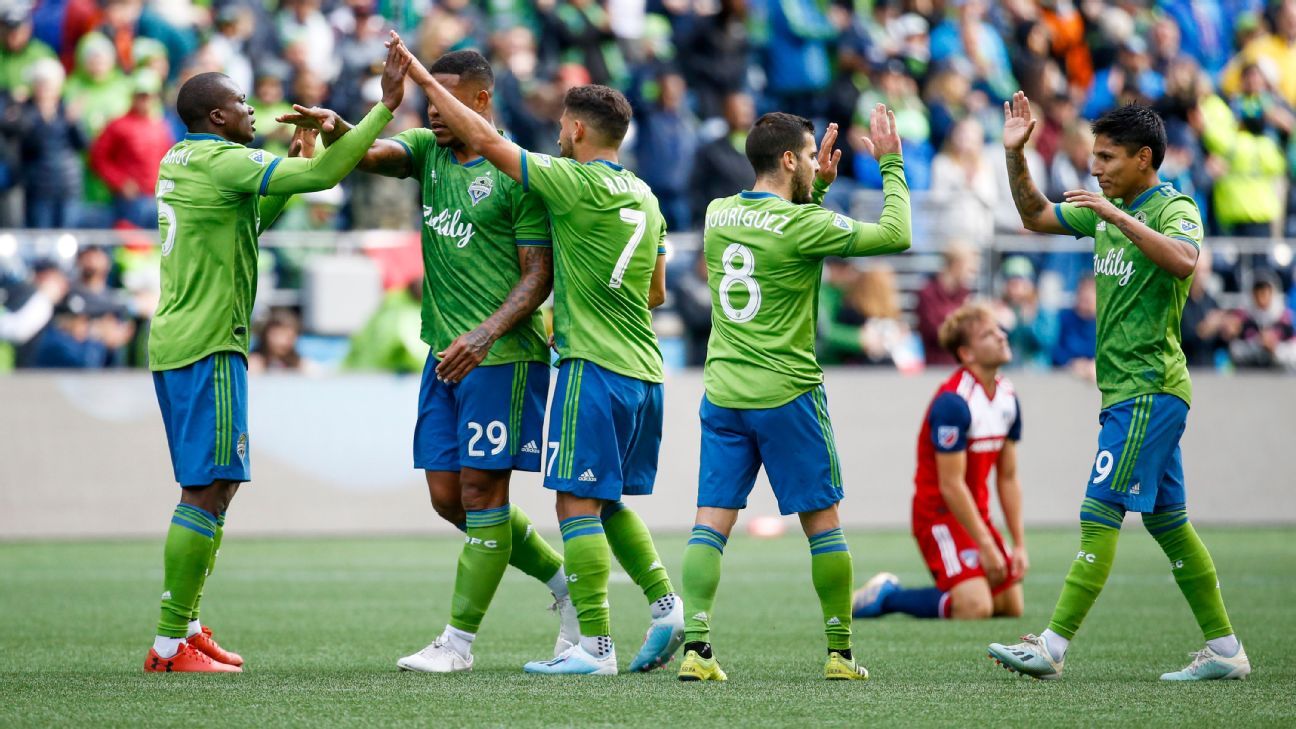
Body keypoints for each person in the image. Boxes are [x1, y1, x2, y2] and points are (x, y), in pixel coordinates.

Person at [280, 48, 578, 673]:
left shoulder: (518, 172)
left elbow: (538, 276)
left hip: (500, 357)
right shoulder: (429, 151)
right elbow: (369, 156)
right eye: (428, 100)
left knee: (481, 488)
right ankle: (563, 583)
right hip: (443, 353)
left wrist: (486, 334)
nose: (434, 115)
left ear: (482, 100)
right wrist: (338, 126)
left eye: (445, 101)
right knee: (448, 498)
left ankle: (459, 644)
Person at [396, 35, 683, 676]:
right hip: (642, 363)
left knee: (574, 505)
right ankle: (664, 606)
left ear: (576, 129)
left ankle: (591, 648)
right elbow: (657, 289)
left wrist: (416, 70)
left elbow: (498, 148)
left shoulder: (567, 182)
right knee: (599, 500)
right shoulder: (646, 196)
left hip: (589, 364)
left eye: (559, 124)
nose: (554, 132)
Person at [142, 39, 410, 674]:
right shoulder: (223, 162)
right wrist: (383, 109)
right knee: (208, 488)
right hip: (210, 342)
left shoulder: (182, 160)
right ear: (216, 117)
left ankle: (186, 625)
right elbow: (323, 180)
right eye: (240, 102)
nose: (251, 109)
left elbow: (251, 220)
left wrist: (292, 162)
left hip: (180, 339)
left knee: (215, 484)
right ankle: (167, 643)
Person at [988, 93, 1248, 681]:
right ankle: (1227, 649)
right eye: (1094, 157)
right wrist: (1015, 157)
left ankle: (1051, 646)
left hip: (1149, 388)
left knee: (1097, 509)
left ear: (1144, 158)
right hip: (1128, 393)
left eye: (1107, 158)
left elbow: (1185, 261)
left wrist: (1117, 218)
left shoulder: (1172, 207)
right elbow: (1034, 216)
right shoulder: (1106, 208)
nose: (1095, 168)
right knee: (1167, 521)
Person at [677, 107, 910, 683]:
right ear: (787, 159)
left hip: (724, 393)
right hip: (787, 395)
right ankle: (840, 654)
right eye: (809, 157)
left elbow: (778, 230)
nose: (816, 164)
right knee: (823, 526)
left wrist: (816, 189)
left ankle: (697, 651)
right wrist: (891, 165)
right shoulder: (806, 226)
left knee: (710, 524)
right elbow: (898, 234)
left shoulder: (718, 213)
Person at [852, 303, 1025, 622]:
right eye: (988, 334)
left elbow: (1008, 477)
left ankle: (941, 592)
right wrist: (987, 546)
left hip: (975, 515)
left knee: (1011, 607)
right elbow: (950, 484)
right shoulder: (953, 403)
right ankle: (888, 597)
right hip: (938, 516)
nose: (1002, 337)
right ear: (967, 353)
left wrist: (1019, 544)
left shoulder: (1007, 397)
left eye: (999, 330)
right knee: (975, 607)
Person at [915, 239, 978, 365]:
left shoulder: (966, 294)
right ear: (957, 264)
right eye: (969, 269)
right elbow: (933, 333)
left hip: (962, 367)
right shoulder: (927, 293)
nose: (972, 275)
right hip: (935, 368)